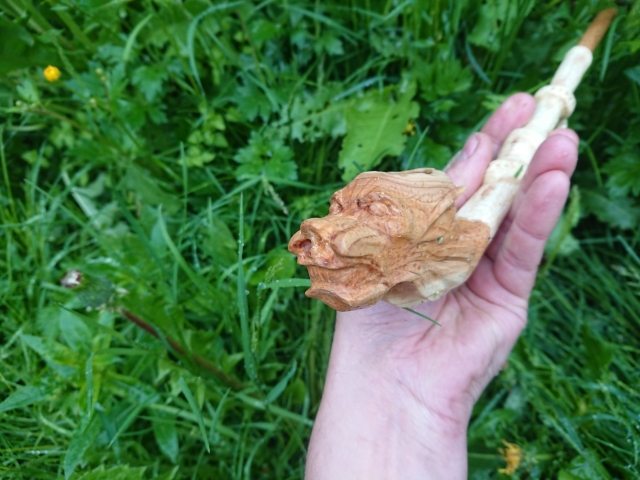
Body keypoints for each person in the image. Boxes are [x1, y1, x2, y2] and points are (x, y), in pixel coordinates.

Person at [304, 93, 579, 479]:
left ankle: (557, 107)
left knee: (543, 147)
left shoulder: (421, 233)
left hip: (453, 223)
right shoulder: (394, 277)